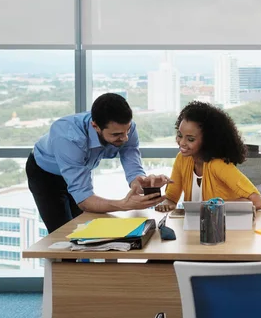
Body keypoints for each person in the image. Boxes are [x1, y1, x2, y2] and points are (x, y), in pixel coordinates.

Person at [26, 93, 171, 233]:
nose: (125, 137)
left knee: (84, 228)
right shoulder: (69, 137)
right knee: (62, 234)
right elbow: (84, 200)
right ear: (95, 126)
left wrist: (139, 182)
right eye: (116, 135)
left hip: (79, 169)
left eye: (127, 131)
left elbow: (129, 151)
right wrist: (124, 205)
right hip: (46, 175)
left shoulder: (123, 127)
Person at [155, 101, 261, 212]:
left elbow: (257, 201)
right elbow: (171, 198)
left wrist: (215, 205)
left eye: (190, 139)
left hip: (222, 226)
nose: (182, 142)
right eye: (179, 135)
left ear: (208, 140)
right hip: (193, 226)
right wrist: (166, 204)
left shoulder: (218, 165)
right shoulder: (182, 159)